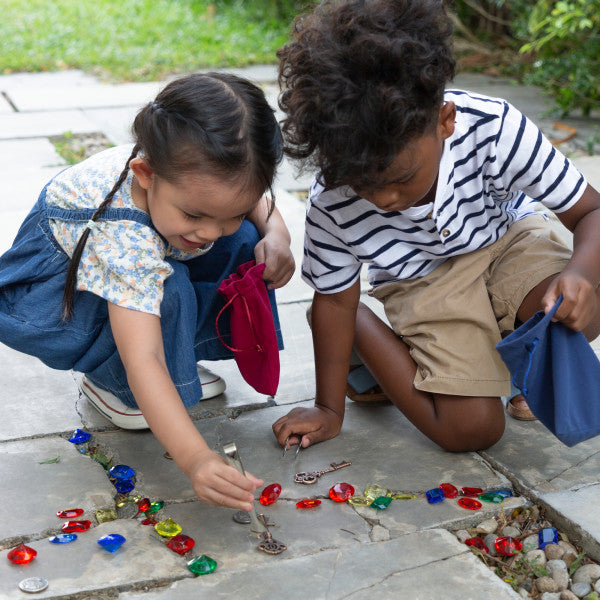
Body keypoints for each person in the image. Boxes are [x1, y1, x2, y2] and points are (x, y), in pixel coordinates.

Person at [271, 0, 600, 453]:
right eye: (364, 186)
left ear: (444, 121)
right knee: (472, 430)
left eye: (401, 179)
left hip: (507, 241)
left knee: (584, 310)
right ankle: (365, 333)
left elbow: (590, 213)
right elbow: (333, 300)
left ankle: (511, 364)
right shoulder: (332, 202)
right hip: (424, 282)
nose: (385, 199)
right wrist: (328, 409)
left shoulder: (494, 127)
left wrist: (579, 275)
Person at [0, 72, 295, 510]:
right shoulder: (124, 239)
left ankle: (177, 361)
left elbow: (251, 199)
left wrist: (276, 232)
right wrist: (196, 459)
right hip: (57, 301)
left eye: (227, 213)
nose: (211, 231)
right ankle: (116, 385)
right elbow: (146, 356)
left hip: (129, 266)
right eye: (195, 213)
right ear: (145, 174)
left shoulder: (190, 174)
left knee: (244, 242)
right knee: (166, 289)